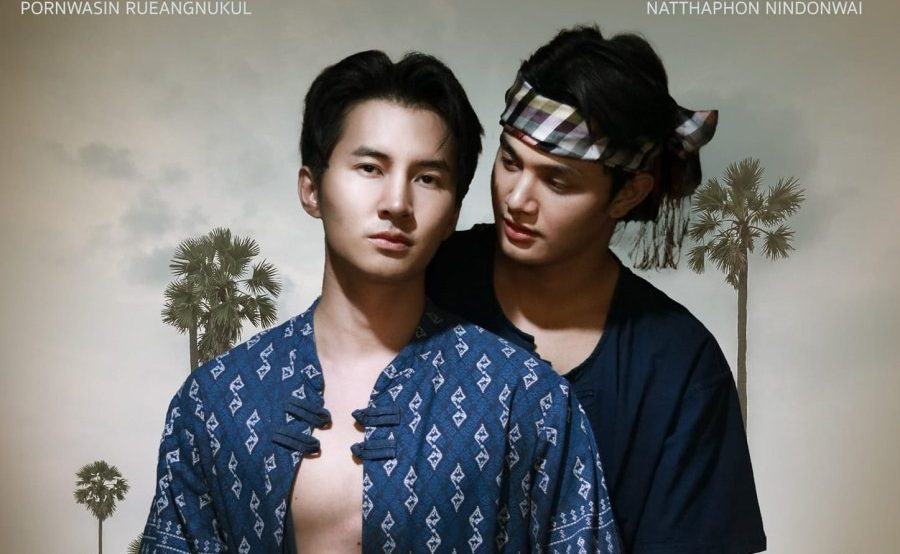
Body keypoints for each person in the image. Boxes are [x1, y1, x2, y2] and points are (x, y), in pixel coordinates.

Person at [140, 49, 621, 553]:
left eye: (427, 178)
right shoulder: (215, 400)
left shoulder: (526, 400)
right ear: (311, 189)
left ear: (454, 212)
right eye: (370, 167)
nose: (396, 203)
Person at [427, 26, 766, 554]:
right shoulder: (427, 281)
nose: (517, 199)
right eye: (510, 161)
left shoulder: (680, 367)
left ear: (627, 194)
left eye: (556, 181)